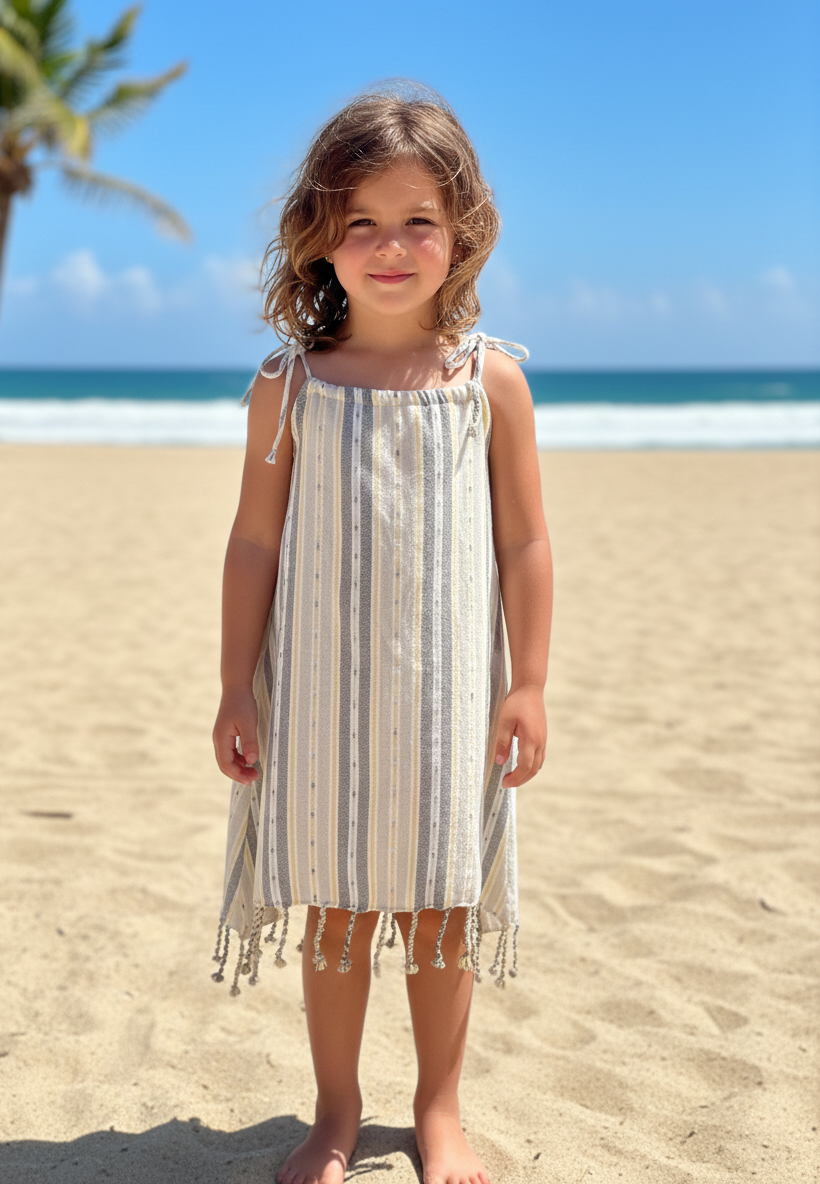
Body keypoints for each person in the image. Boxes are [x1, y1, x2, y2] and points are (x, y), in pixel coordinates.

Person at [211, 82, 552, 1184]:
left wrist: (529, 683)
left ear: (463, 232)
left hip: (453, 697)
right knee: (343, 910)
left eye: (418, 221)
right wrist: (234, 686)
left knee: (444, 908)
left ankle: (440, 1111)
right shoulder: (291, 387)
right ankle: (337, 1113)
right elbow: (254, 544)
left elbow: (525, 547)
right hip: (321, 698)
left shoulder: (489, 382)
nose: (391, 246)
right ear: (319, 236)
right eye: (360, 222)